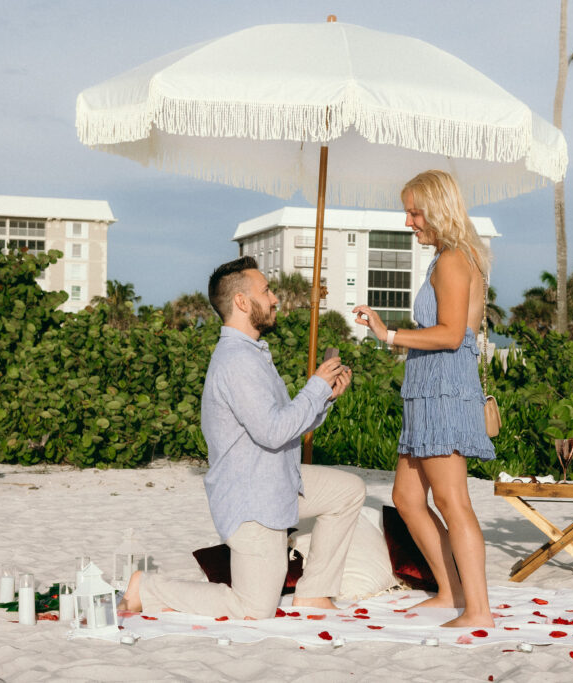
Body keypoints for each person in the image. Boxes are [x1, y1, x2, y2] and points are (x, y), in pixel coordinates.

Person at [119, 256, 364, 619]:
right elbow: (273, 431)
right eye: (266, 291)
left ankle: (314, 592)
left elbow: (283, 425)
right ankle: (147, 587)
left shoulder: (252, 354)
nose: (275, 298)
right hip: (253, 500)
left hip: (279, 483)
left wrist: (324, 398)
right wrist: (314, 387)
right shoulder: (236, 361)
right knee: (255, 608)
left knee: (348, 491)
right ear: (242, 302)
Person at [352, 170, 496, 628]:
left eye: (415, 211)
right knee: (407, 497)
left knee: (453, 501)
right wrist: (391, 332)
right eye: (408, 211)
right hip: (427, 389)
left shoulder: (454, 259)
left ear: (437, 209)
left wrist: (389, 332)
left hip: (443, 390)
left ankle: (478, 611)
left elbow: (453, 334)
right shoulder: (447, 258)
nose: (408, 221)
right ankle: (452, 591)